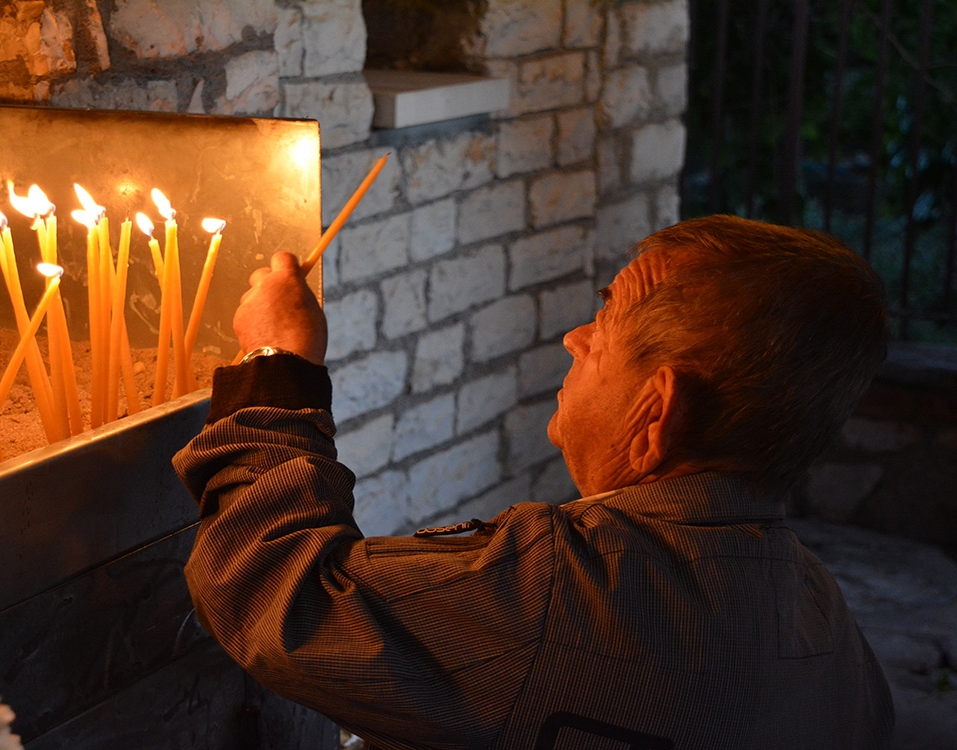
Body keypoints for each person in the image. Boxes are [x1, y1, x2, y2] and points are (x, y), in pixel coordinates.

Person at [172, 215, 895, 749]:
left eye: (607, 316)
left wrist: (276, 360)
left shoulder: (564, 590)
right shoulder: (824, 617)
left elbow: (272, 590)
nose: (574, 338)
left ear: (657, 408)